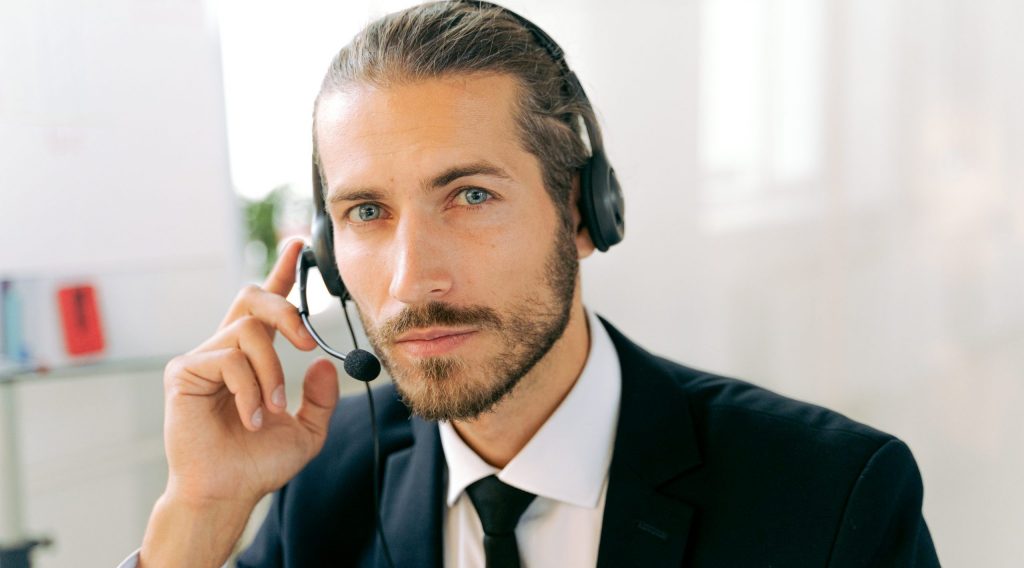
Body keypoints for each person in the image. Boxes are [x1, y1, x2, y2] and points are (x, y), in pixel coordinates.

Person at [123, 1, 940, 566]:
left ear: (584, 213)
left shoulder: (829, 497)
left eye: (471, 196)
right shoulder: (324, 482)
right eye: (368, 211)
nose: (413, 281)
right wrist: (196, 518)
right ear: (328, 258)